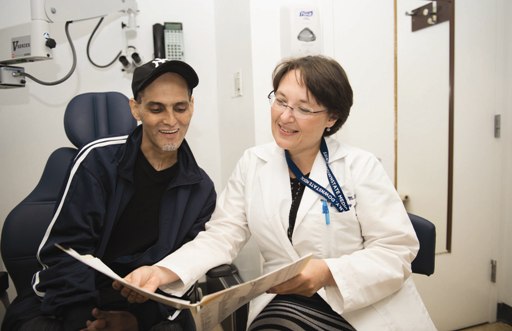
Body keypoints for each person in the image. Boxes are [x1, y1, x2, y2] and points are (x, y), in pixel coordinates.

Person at [112, 55, 437, 330]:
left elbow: (397, 251)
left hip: (360, 307)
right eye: (280, 101)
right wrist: (162, 271)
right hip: (286, 305)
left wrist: (327, 272)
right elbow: (221, 236)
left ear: (332, 117)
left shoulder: (359, 166)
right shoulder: (254, 163)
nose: (284, 116)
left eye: (303, 108)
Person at [1, 58, 216, 331]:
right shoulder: (96, 161)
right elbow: (65, 252)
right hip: (70, 299)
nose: (170, 120)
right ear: (135, 109)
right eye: (156, 108)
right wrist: (85, 318)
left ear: (192, 107)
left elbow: (182, 273)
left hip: (143, 306)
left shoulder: (201, 190)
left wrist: (136, 321)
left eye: (180, 108)